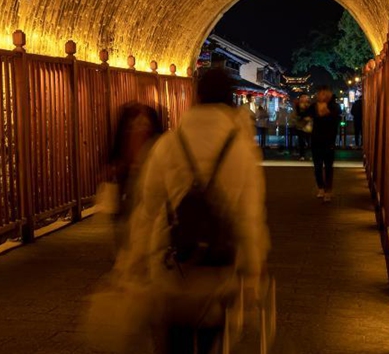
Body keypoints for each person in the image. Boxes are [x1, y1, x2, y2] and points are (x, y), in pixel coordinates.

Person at [116, 68, 270, 354]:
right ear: (230, 99)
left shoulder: (167, 145)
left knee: (175, 343)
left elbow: (147, 212)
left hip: (171, 266)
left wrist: (134, 266)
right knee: (212, 341)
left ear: (196, 97)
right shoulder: (242, 150)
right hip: (219, 268)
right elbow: (250, 217)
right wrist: (252, 272)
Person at [107, 102, 164, 251]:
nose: (140, 126)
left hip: (141, 179)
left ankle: (134, 246)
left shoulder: (152, 138)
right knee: (129, 215)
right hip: (130, 180)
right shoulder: (153, 136)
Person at [304, 86, 342, 202]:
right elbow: (305, 116)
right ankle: (320, 187)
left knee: (328, 166)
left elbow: (336, 119)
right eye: (320, 93)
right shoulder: (313, 106)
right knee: (317, 166)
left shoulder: (334, 106)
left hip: (329, 139)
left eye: (325, 93)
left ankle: (328, 190)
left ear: (329, 94)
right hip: (316, 139)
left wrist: (326, 113)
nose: (322, 95)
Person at [291, 95, 312, 161]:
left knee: (308, 141)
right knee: (302, 141)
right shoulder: (298, 107)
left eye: (305, 98)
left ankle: (307, 155)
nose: (304, 99)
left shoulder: (309, 106)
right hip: (301, 126)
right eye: (302, 98)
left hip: (307, 126)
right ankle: (303, 155)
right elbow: (294, 116)